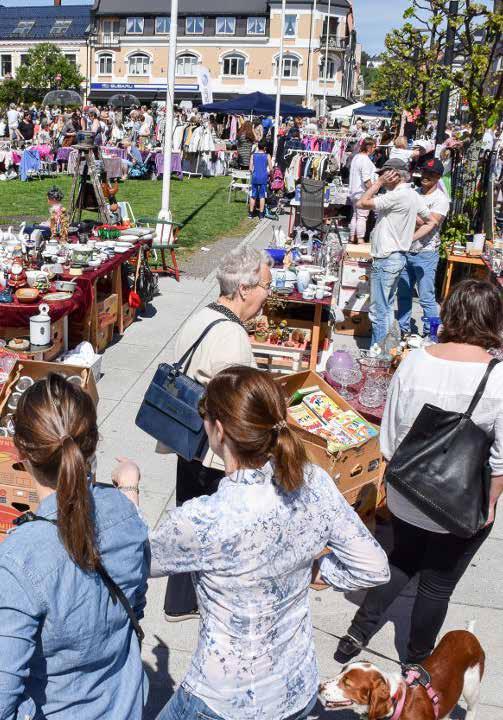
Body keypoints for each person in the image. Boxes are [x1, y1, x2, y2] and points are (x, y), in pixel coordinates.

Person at [115, 366, 390, 720]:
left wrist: (128, 490)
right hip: (295, 688)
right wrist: (317, 570)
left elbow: (133, 559)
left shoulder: (205, 518)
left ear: (219, 430)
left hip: (223, 702)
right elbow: (373, 566)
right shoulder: (313, 481)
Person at [336, 280, 503, 666]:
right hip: (460, 505)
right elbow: (500, 460)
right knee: (437, 583)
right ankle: (416, 660)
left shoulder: (414, 361)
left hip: (407, 493)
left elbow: (390, 439)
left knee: (401, 559)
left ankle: (356, 633)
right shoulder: (497, 378)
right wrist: (491, 502)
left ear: (449, 314)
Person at [0, 374, 149, 719]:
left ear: (19, 450)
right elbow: (135, 608)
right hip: (124, 706)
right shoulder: (126, 514)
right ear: (92, 444)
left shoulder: (19, 559)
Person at [160, 246, 273, 621]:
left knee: (190, 515)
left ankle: (179, 601)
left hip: (186, 438)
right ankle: (206, 600)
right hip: (213, 448)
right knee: (213, 526)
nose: (267, 295)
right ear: (244, 289)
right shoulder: (231, 336)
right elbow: (238, 403)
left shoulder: (204, 315)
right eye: (266, 287)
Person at [356, 158, 434, 345]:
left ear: (395, 175)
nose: (381, 177)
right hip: (395, 257)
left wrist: (378, 183)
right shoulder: (413, 195)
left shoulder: (398, 195)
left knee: (379, 311)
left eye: (385, 174)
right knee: (387, 308)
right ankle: (387, 351)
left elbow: (361, 203)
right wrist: (408, 236)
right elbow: (429, 221)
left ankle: (379, 356)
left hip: (387, 258)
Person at [397, 158, 450, 337]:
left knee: (426, 298)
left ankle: (431, 335)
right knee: (403, 294)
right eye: (424, 172)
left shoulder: (441, 200)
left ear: (438, 177)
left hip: (426, 253)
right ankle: (404, 330)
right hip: (405, 251)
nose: (426, 176)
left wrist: (412, 216)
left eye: (431, 174)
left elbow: (432, 224)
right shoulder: (414, 193)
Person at [348, 138, 377, 244]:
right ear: (369, 147)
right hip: (362, 192)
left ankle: (352, 237)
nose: (375, 149)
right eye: (374, 147)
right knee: (362, 216)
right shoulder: (365, 160)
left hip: (354, 191)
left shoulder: (356, 157)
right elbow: (366, 179)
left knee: (356, 215)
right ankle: (360, 239)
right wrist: (372, 191)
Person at [249, 139, 273, 219]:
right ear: (265, 148)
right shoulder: (267, 156)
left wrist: (253, 172)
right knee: (262, 195)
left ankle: (251, 213)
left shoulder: (253, 155)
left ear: (258, 146)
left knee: (253, 195)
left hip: (255, 176)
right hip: (263, 176)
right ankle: (261, 214)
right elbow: (270, 168)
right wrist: (270, 174)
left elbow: (250, 168)